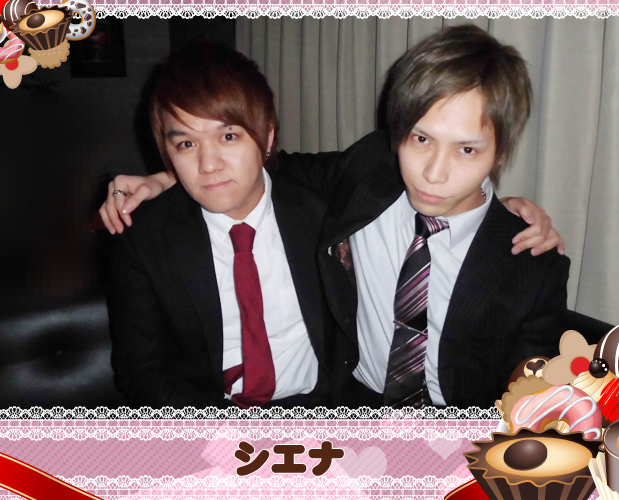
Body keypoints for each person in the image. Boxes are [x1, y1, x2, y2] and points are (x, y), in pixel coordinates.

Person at [101, 26, 567, 409]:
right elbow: (264, 167)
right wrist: (165, 178)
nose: (434, 173)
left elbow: (531, 406)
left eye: (466, 150)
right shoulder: (366, 176)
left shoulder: (533, 266)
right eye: (421, 139)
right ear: (397, 134)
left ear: (499, 152)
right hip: (344, 410)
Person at [107, 39, 335, 408]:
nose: (209, 165)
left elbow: (383, 156)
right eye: (186, 145)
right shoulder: (144, 238)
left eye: (228, 136)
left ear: (267, 137)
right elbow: (142, 372)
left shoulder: (320, 210)